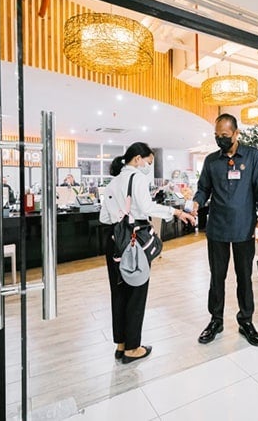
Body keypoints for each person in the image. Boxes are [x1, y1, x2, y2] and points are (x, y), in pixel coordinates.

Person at [99, 142, 195, 364]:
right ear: (137, 159)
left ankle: (121, 344)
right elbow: (147, 208)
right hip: (134, 242)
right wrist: (176, 212)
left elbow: (104, 217)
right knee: (136, 293)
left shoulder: (113, 182)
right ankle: (133, 348)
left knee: (118, 293)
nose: (148, 167)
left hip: (114, 241)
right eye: (148, 162)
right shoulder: (137, 178)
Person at [189, 113, 258, 347]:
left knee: (244, 277)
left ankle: (246, 321)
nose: (220, 139)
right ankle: (216, 320)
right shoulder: (211, 161)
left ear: (236, 133)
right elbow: (203, 188)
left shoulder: (252, 156)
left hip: (244, 227)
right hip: (217, 228)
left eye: (224, 135)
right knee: (217, 277)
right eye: (217, 136)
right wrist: (197, 201)